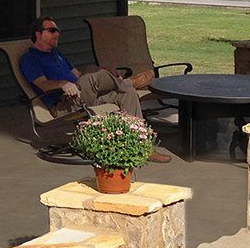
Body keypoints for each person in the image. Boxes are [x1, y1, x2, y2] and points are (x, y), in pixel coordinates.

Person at [20, 16, 171, 163]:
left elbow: (78, 75)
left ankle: (143, 147)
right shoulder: (29, 59)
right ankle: (131, 82)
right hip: (63, 104)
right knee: (93, 78)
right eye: (52, 30)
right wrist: (62, 84)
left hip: (83, 95)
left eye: (57, 30)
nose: (57, 33)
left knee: (126, 93)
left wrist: (104, 71)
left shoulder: (56, 54)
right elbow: (43, 84)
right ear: (38, 34)